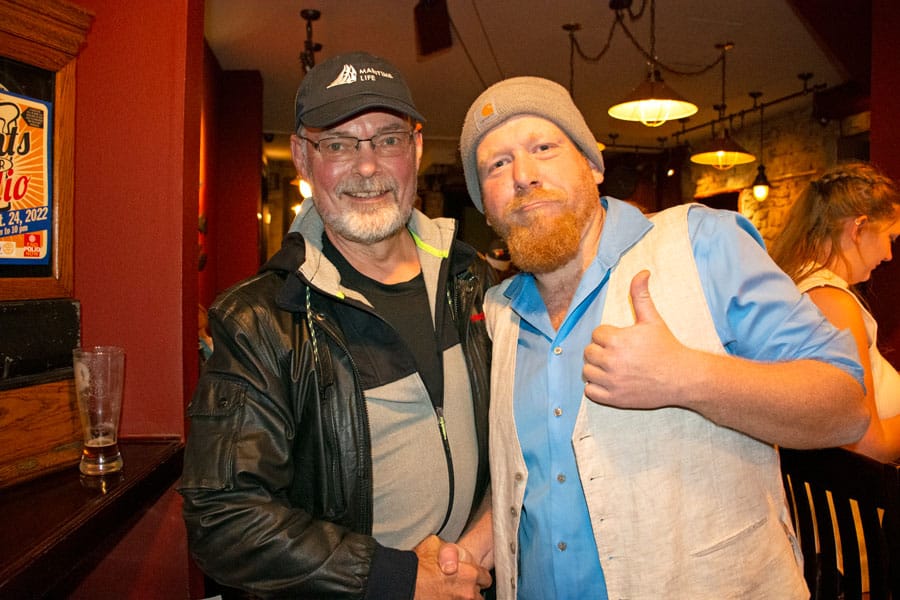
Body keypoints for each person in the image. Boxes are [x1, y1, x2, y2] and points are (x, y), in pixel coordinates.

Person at [457, 76, 869, 599]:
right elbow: (526, 474)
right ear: (486, 206)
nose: (523, 175)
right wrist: (470, 551)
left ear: (592, 165)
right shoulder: (500, 313)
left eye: (544, 148)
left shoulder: (703, 244)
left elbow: (846, 407)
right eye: (497, 165)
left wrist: (688, 378)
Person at [180, 51, 493, 599]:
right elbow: (224, 517)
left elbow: (522, 436)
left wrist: (481, 540)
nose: (367, 167)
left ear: (416, 149)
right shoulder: (260, 320)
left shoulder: (472, 281)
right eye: (339, 144)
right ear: (303, 156)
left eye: (388, 140)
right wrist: (397, 580)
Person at [770, 161, 900, 461]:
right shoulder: (832, 302)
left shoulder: (796, 285)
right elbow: (867, 444)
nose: (889, 255)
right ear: (859, 228)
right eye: (890, 238)